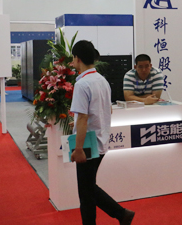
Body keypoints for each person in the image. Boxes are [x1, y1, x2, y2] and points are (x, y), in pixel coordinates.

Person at [70, 40, 135, 225]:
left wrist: (78, 149)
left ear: (77, 58)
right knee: (88, 188)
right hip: (100, 139)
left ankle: (121, 214)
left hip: (88, 143)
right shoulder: (102, 80)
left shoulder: (82, 84)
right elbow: (105, 110)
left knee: (86, 193)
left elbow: (83, 118)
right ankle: (122, 214)